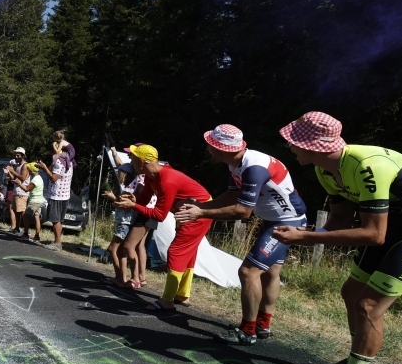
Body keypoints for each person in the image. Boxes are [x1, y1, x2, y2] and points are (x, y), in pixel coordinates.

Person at [272, 112, 402, 364]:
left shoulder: (368, 166)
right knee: (351, 292)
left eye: (293, 141)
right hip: (391, 225)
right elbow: (341, 221)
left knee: (369, 305)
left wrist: (306, 238)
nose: (289, 146)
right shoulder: (324, 169)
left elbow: (373, 235)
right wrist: (305, 234)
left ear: (314, 146)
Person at [175, 124, 308, 346]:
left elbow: (243, 211)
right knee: (270, 273)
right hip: (275, 220)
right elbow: (232, 195)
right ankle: (262, 326)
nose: (207, 149)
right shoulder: (236, 162)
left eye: (210, 145)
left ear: (222, 148)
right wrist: (201, 205)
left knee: (248, 272)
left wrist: (201, 213)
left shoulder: (253, 168)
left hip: (286, 223)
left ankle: (247, 331)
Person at [114, 144, 212, 310]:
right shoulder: (151, 176)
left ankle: (167, 301)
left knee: (176, 252)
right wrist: (133, 200)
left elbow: (159, 215)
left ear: (142, 161)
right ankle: (182, 295)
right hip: (188, 212)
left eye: (133, 158)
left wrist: (133, 206)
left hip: (199, 213)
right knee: (188, 253)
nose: (131, 162)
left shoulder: (166, 180)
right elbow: (144, 200)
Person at [102, 163, 141, 287]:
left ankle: (120, 278)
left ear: (124, 174)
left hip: (125, 223)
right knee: (120, 251)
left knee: (112, 249)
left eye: (119, 172)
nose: (117, 174)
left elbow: (126, 207)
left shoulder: (129, 189)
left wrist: (113, 199)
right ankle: (121, 279)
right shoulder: (128, 187)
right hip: (126, 222)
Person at [40, 141, 74, 251]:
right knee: (59, 220)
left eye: (51, 152)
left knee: (55, 220)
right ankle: (58, 241)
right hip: (65, 194)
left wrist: (44, 168)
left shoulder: (59, 162)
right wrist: (47, 166)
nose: (50, 154)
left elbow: (54, 178)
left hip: (56, 194)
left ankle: (57, 243)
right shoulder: (68, 160)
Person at [17, 161, 46, 243]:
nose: (27, 170)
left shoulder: (35, 180)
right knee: (37, 217)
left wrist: (19, 183)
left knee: (26, 216)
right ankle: (37, 236)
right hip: (40, 200)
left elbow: (27, 189)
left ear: (31, 170)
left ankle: (26, 233)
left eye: (28, 169)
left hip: (34, 201)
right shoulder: (39, 178)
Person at [5, 148, 30, 236]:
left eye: (18, 155)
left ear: (23, 156)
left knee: (22, 212)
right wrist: (9, 172)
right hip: (16, 191)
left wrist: (13, 171)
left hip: (22, 193)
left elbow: (23, 178)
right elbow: (14, 177)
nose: (16, 157)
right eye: (15, 155)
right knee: (16, 211)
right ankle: (17, 228)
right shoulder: (17, 165)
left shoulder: (25, 165)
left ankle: (26, 231)